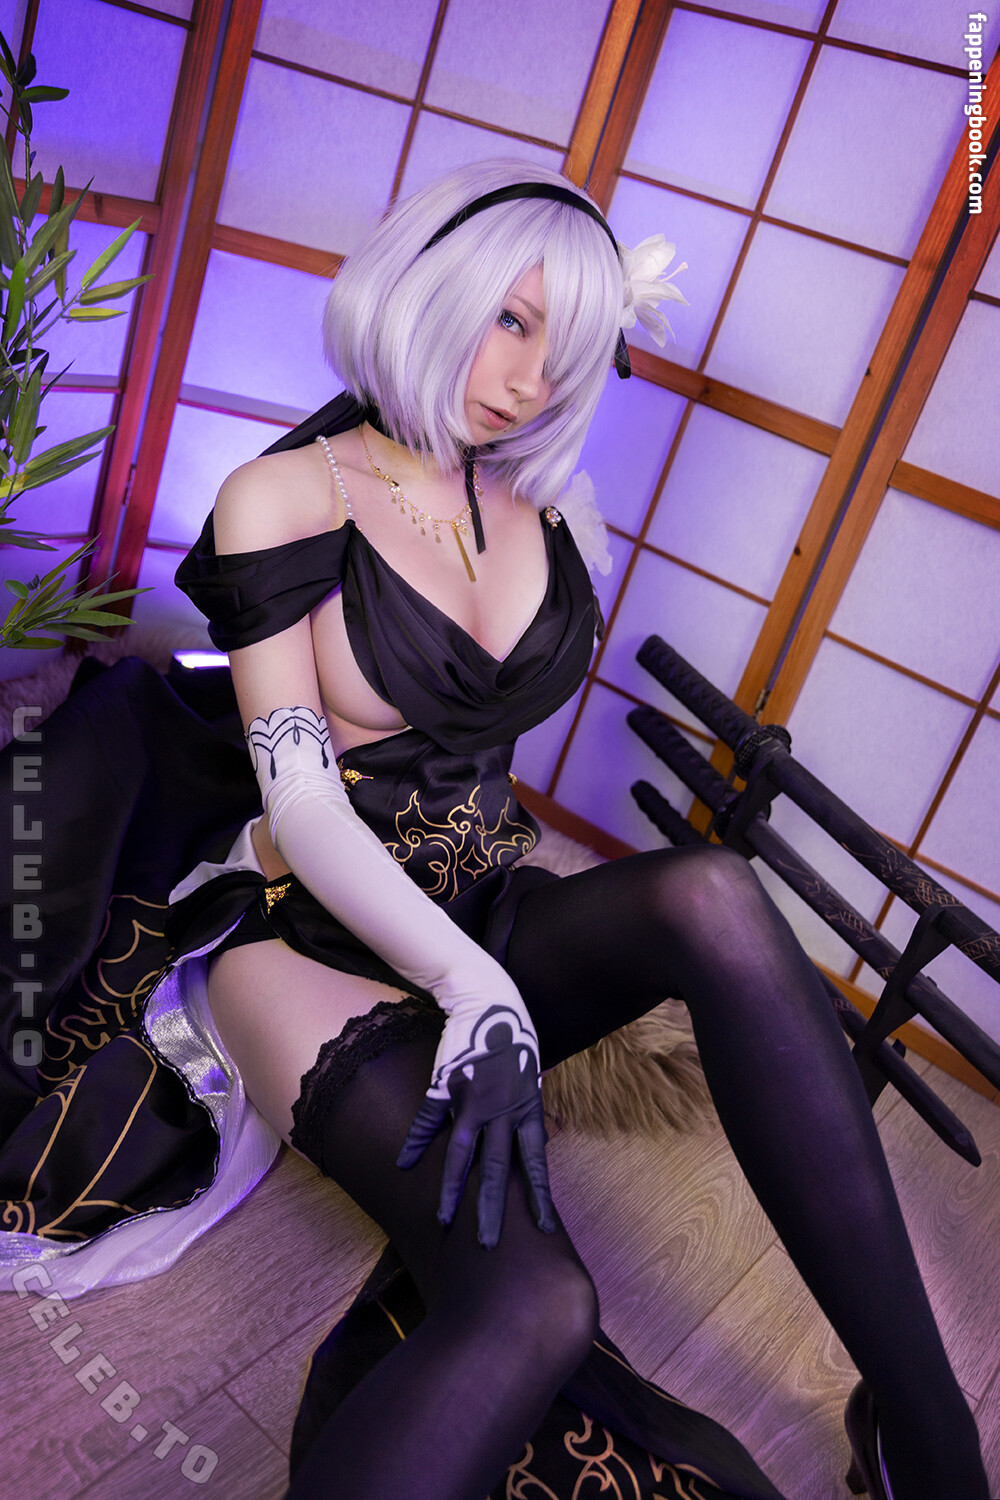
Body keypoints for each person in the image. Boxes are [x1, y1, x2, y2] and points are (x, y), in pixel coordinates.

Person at [168, 159, 986, 1499]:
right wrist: (470, 984)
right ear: (432, 285)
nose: (530, 377)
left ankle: (924, 1427)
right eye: (510, 318)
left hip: (489, 902)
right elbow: (301, 803)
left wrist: (492, 961)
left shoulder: (556, 511)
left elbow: (486, 762)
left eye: (570, 346)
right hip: (312, 944)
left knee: (713, 891)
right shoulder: (288, 495)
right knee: (535, 1302)